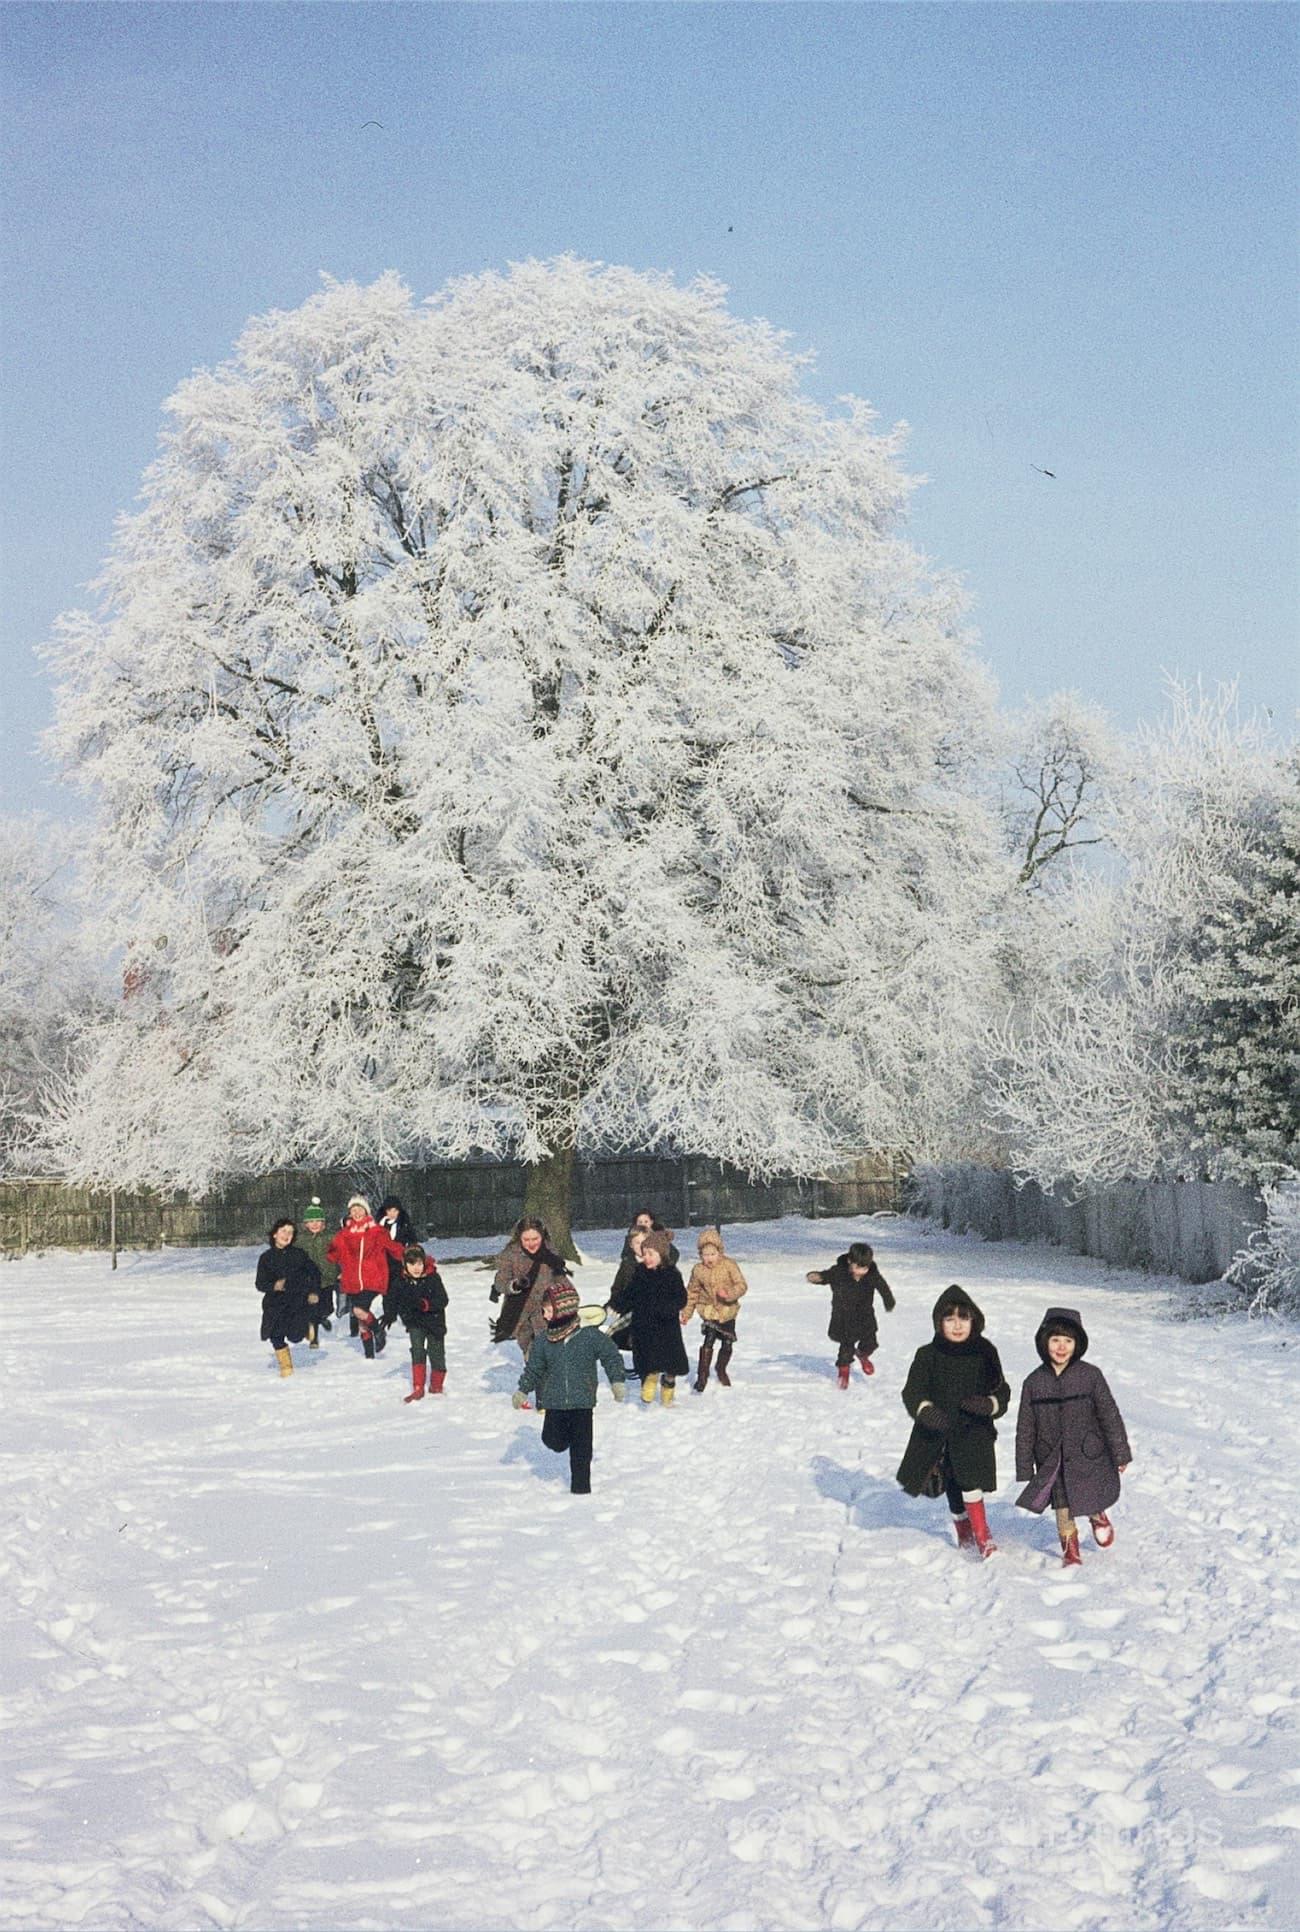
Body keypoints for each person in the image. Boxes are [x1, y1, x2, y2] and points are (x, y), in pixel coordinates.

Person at [896, 1287, 1010, 1559]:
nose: (957, 1326)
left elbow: (1001, 1390)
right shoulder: (927, 1355)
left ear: (974, 1320)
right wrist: (925, 1411)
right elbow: (912, 1391)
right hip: (939, 1431)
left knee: (970, 1481)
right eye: (950, 1319)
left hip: (973, 1430)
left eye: (963, 1318)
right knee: (952, 1483)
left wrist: (989, 1404)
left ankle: (982, 1535)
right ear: (939, 1323)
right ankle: (963, 1530)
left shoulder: (984, 1352)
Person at [1015, 1307, 1132, 1567]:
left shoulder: (1090, 1376)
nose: (1061, 1347)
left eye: (1068, 1341)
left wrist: (1120, 1453)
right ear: (1044, 1342)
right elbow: (1025, 1428)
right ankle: (1071, 1550)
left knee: (1088, 1494)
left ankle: (1097, 1516)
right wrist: (1025, 1467)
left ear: (1077, 1344)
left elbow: (1109, 1415)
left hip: (1087, 1452)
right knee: (1062, 1506)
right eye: (1055, 1339)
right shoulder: (1033, 1382)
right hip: (1051, 1457)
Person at [512, 1281, 627, 1493]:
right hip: (555, 1402)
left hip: (583, 1401)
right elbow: (534, 1368)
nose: (545, 1316)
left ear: (562, 1311)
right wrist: (522, 1390)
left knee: (582, 1451)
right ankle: (564, 1439)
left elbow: (611, 1356)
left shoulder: (589, 1336)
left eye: (548, 1311)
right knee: (552, 1441)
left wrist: (617, 1381)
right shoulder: (544, 1341)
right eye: (544, 1311)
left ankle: (581, 1492)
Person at [806, 1241, 896, 1388]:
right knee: (846, 1348)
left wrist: (889, 1300)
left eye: (865, 1268)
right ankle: (843, 1371)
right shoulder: (839, 1272)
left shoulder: (872, 1274)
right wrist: (817, 1277)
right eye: (858, 1267)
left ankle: (862, 1354)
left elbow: (882, 1286)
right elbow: (827, 1276)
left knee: (870, 1343)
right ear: (849, 1261)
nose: (862, 1271)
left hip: (865, 1316)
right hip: (844, 1317)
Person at [326, 1195, 405, 1359]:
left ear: (366, 1211)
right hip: (353, 1281)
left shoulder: (376, 1231)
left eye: (359, 1209)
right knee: (362, 1320)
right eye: (353, 1210)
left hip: (372, 1278)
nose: (356, 1213)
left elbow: (393, 1248)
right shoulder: (344, 1234)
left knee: (358, 1310)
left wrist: (411, 1257)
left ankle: (378, 1330)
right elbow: (333, 1254)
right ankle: (369, 1356)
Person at [620, 1229, 690, 1405]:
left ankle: (668, 1390)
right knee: (650, 1360)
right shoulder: (640, 1273)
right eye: (644, 1254)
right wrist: (621, 1303)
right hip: (645, 1324)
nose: (647, 1258)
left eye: (651, 1254)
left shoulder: (672, 1275)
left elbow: (681, 1298)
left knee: (671, 1364)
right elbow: (630, 1293)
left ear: (662, 1254)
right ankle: (650, 1380)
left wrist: (670, 1308)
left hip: (667, 1326)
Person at [491, 1218, 567, 1369]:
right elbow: (500, 1282)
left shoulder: (550, 1252)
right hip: (520, 1310)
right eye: (526, 1239)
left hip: (546, 1308)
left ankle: (548, 1375)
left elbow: (560, 1278)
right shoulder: (510, 1255)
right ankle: (535, 1368)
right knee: (529, 1347)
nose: (531, 1243)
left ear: (542, 1236)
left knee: (549, 1348)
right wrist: (514, 1285)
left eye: (535, 1239)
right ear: (519, 1237)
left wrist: (567, 1297)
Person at [682, 1227, 749, 1391]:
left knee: (727, 1342)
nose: (709, 1258)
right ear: (700, 1255)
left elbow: (741, 1285)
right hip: (709, 1309)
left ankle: (721, 1368)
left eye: (712, 1254)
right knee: (709, 1338)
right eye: (705, 1255)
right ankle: (702, 1376)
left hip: (727, 1310)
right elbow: (692, 1292)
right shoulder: (698, 1270)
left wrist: (729, 1294)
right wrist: (686, 1313)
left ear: (720, 1252)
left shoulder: (729, 1265)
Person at [255, 1218, 322, 1378]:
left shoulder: (299, 1255)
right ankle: (286, 1369)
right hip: (274, 1304)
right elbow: (260, 1283)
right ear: (275, 1234)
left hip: (296, 1302)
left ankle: (307, 1328)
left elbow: (315, 1274)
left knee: (295, 1337)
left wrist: (314, 1292)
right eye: (283, 1231)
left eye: (290, 1233)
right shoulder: (266, 1258)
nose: (287, 1235)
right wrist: (274, 1285)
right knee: (275, 1335)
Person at [393, 1243, 449, 1403]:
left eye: (419, 1263)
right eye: (411, 1264)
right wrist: (398, 1314)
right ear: (405, 1264)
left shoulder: (433, 1278)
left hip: (434, 1322)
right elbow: (396, 1301)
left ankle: (436, 1385)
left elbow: (443, 1300)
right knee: (417, 1350)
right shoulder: (402, 1281)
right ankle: (418, 1387)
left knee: (436, 1353)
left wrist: (425, 1304)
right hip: (415, 1322)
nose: (416, 1268)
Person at [297, 1197, 338, 1340]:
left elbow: (340, 1253)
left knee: (328, 1307)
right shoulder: (300, 1239)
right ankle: (312, 1334)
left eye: (318, 1221)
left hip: (327, 1278)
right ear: (306, 1224)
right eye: (311, 1221)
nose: (314, 1224)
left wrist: (339, 1271)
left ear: (323, 1223)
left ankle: (322, 1317)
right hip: (309, 1280)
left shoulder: (330, 1237)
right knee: (311, 1307)